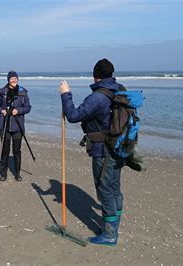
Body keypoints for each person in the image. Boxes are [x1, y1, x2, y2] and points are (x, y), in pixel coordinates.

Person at [59, 58, 125, 246]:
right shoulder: (120, 89)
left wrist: (66, 94)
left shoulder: (98, 97)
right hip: (120, 147)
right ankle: (112, 226)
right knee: (114, 188)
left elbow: (73, 115)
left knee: (104, 190)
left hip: (104, 150)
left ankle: (110, 234)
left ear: (96, 76)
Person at [0, 71, 31, 181]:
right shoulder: (1, 92)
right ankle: (4, 173)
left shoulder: (23, 92)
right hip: (4, 125)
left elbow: (28, 107)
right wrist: (2, 111)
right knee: (5, 150)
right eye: (12, 78)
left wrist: (18, 110)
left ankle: (17, 173)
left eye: (16, 78)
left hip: (18, 126)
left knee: (17, 150)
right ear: (8, 80)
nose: (14, 80)